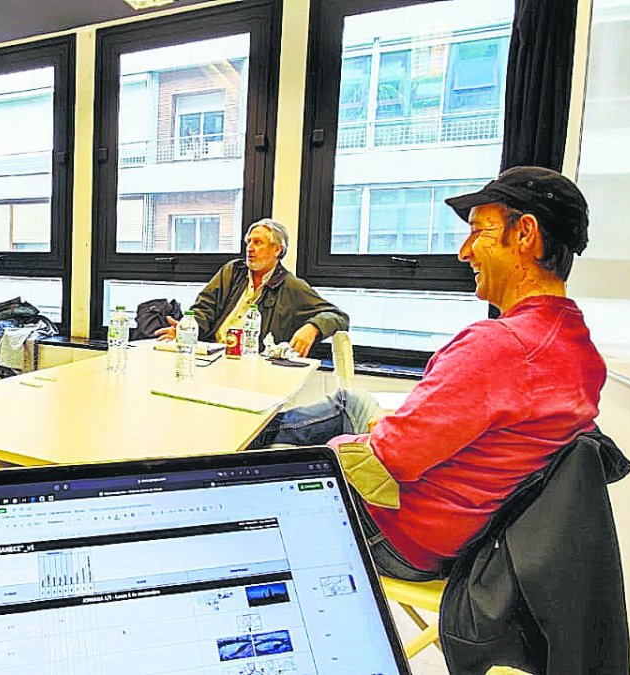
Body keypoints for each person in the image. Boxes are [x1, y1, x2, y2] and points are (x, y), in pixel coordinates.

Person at [253, 166, 605, 582]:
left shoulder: (500, 346)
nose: (464, 252)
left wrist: (341, 446)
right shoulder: (578, 348)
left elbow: (387, 459)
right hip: (463, 530)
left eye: (478, 232)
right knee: (351, 402)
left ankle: (251, 444)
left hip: (398, 535)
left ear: (525, 234)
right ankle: (262, 436)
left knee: (257, 472)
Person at [155, 219, 348, 356]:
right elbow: (205, 308)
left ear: (277, 249)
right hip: (213, 354)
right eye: (249, 242)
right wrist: (187, 329)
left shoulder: (290, 285)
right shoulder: (232, 271)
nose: (249, 248)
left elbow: (338, 317)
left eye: (258, 243)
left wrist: (312, 327)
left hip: (253, 362)